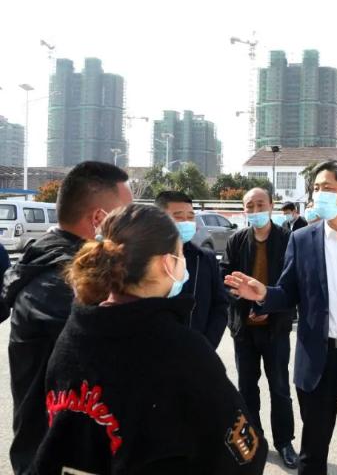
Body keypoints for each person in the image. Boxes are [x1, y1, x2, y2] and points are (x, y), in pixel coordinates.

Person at [32, 204, 267, 474]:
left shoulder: (75, 331)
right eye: (180, 254)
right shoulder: (180, 350)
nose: (183, 263)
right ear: (166, 263)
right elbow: (241, 454)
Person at [224, 160, 337, 475]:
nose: (319, 194)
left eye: (328, 188)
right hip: (317, 361)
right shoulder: (303, 239)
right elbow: (288, 292)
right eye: (316, 188)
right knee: (312, 454)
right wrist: (264, 294)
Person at [0, 161, 131, 474]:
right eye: (127, 217)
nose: (133, 228)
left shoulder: (64, 265)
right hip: (53, 455)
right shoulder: (62, 281)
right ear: (99, 219)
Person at [221, 187, 298, 469]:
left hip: (275, 328)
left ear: (271, 205)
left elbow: (294, 284)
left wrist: (267, 301)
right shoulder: (236, 240)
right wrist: (238, 294)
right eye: (250, 206)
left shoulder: (288, 240)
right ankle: (254, 440)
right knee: (246, 388)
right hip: (244, 329)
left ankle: (284, 441)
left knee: (279, 387)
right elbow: (224, 277)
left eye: (260, 204)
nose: (255, 210)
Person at [154, 191, 229, 348]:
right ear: (158, 219)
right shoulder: (146, 259)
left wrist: (207, 345)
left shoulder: (205, 258)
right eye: (178, 217)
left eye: (190, 217)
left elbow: (220, 305)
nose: (186, 222)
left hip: (199, 351)